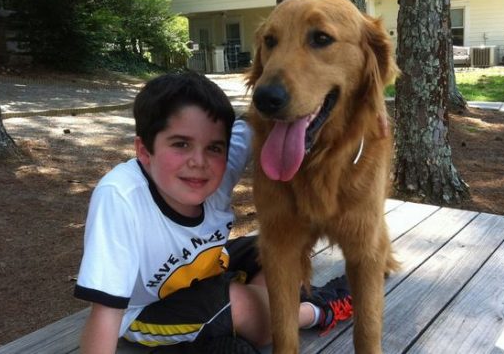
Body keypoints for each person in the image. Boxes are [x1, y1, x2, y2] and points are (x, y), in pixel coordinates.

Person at [73, 72, 352, 353]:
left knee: (279, 248)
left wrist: (364, 110)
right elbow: (106, 311)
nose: (199, 161)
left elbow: (263, 115)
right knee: (245, 307)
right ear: (144, 152)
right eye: (181, 144)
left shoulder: (221, 165)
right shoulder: (121, 196)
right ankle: (316, 310)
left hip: (208, 274)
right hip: (147, 310)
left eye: (214, 148)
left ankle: (224, 337)